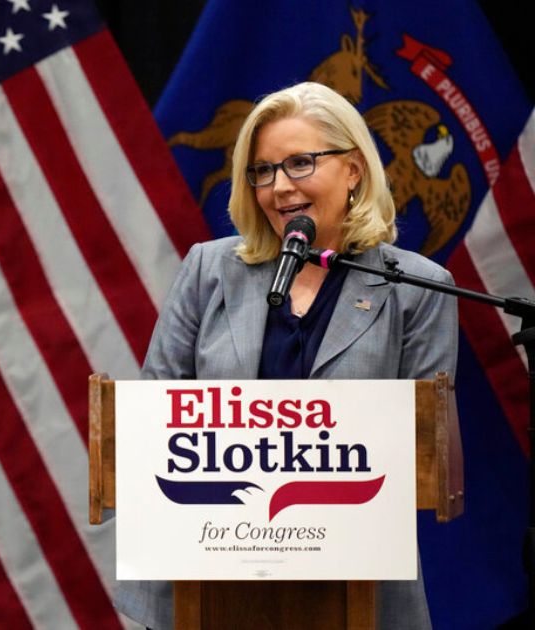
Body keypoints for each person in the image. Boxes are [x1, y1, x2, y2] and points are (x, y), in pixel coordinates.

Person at [114, 81, 456, 630]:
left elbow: (421, 452)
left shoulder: (418, 288)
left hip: (353, 592)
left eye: (300, 163)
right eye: (263, 170)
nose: (279, 188)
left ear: (353, 169)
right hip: (206, 584)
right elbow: (151, 416)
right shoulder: (209, 269)